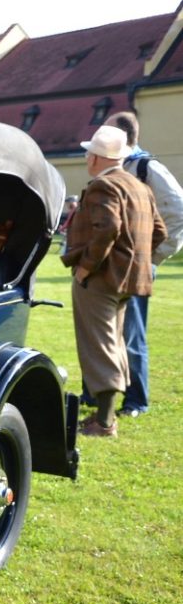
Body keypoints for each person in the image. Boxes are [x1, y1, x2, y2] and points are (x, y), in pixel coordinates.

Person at [61, 125, 165, 438]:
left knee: (100, 345)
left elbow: (107, 229)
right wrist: (133, 262)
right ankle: (104, 416)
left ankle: (104, 422)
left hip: (101, 279)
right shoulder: (138, 186)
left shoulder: (102, 186)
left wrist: (86, 268)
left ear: (95, 158)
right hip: (129, 281)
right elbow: (159, 231)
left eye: (88, 151)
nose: (85, 156)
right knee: (115, 343)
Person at [102, 111, 183, 418]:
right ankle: (102, 392)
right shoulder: (116, 165)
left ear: (122, 135)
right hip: (112, 265)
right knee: (108, 329)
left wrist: (153, 256)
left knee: (132, 333)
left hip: (137, 265)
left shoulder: (148, 167)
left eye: (105, 130)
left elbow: (178, 210)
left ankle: (137, 400)